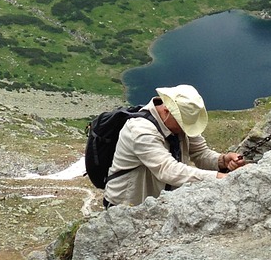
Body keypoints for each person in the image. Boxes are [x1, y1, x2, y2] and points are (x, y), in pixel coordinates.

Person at [103, 83, 248, 209]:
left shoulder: (178, 122)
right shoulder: (140, 131)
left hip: (158, 203)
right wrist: (219, 178)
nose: (186, 129)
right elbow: (168, 170)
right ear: (167, 110)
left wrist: (223, 160)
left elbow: (200, 153)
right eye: (183, 123)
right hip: (126, 206)